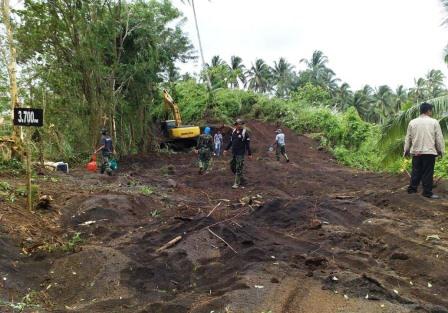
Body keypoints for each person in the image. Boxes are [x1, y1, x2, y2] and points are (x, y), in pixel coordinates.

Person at [404, 102, 444, 199]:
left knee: (416, 171)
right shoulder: (434, 122)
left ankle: (412, 190)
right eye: (431, 111)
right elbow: (439, 138)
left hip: (416, 152)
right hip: (429, 152)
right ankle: (427, 192)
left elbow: (408, 138)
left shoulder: (412, 122)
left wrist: (406, 151)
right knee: (427, 172)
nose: (431, 112)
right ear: (428, 111)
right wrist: (440, 151)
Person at [224, 119, 252, 189]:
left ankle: (236, 183)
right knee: (232, 166)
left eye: (240, 124)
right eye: (237, 124)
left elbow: (247, 144)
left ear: (242, 125)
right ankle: (241, 178)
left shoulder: (245, 133)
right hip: (234, 152)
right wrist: (226, 149)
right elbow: (231, 142)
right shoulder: (234, 132)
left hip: (240, 153)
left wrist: (249, 154)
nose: (238, 125)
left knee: (238, 168)